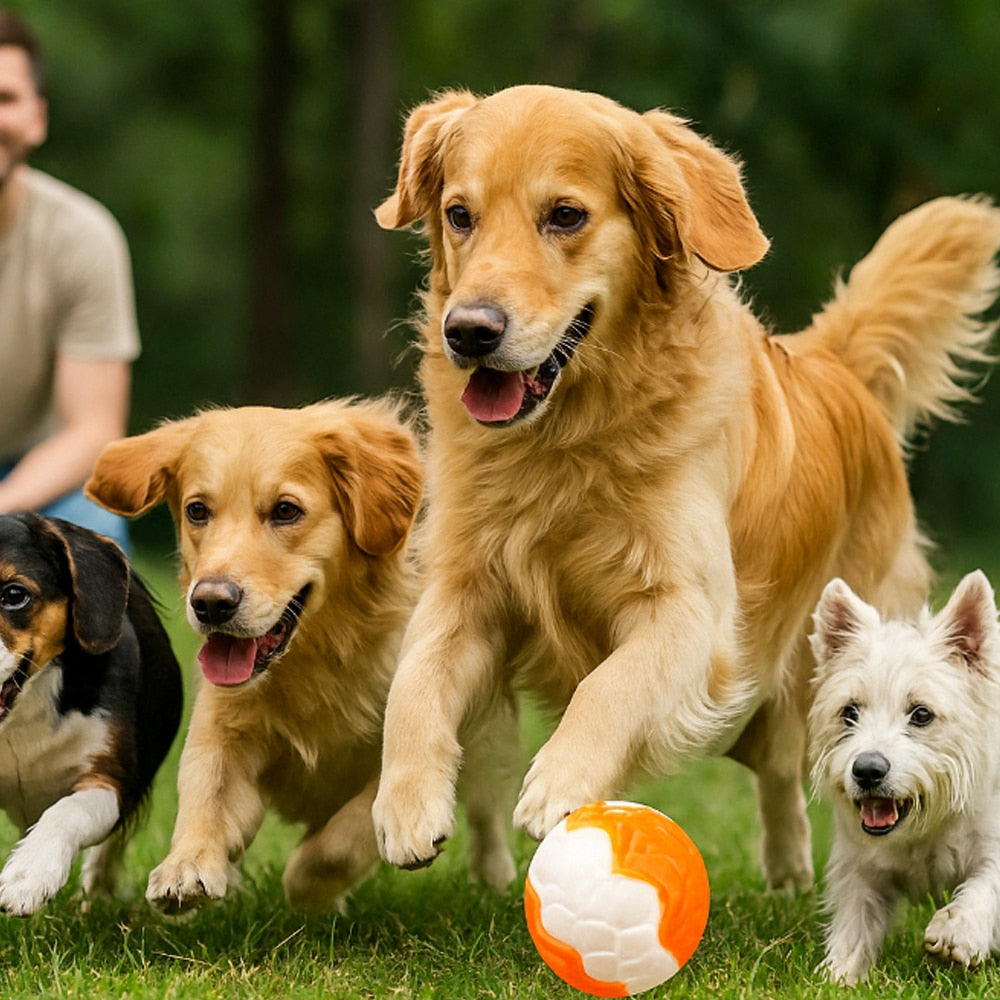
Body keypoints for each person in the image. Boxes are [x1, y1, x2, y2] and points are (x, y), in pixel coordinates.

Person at [0, 7, 138, 552]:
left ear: (37, 117)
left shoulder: (84, 236)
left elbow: (93, 431)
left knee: (95, 531)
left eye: (5, 99)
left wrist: (2, 508)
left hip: (34, 474)